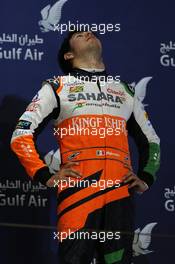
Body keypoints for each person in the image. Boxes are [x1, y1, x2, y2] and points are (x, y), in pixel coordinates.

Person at [11, 30, 160, 264]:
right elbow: (21, 134)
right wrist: (44, 175)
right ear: (69, 54)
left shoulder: (124, 90)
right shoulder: (57, 87)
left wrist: (147, 177)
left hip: (119, 196)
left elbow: (151, 140)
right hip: (78, 195)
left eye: (90, 32)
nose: (89, 33)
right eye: (80, 35)